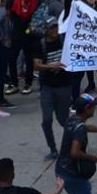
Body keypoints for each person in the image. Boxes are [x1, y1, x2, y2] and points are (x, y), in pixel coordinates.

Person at [32, 18, 71, 161]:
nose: (55, 30)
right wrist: (53, 66)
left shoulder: (63, 41)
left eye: (56, 27)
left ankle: (74, 143)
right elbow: (36, 65)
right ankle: (53, 149)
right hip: (47, 88)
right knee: (46, 120)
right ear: (46, 29)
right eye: (52, 28)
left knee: (63, 120)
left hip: (63, 87)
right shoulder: (40, 45)